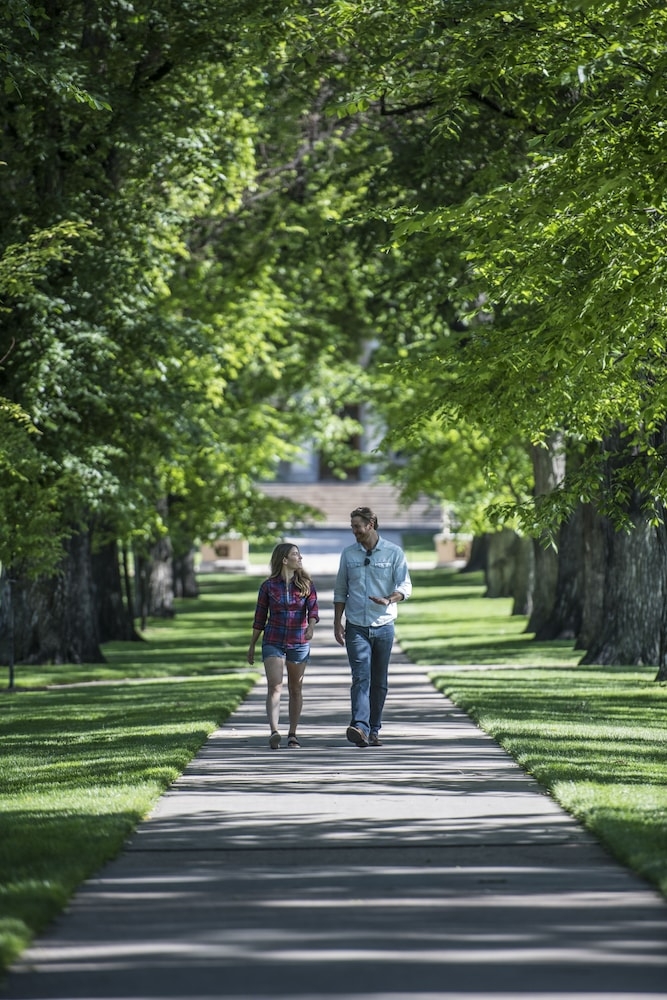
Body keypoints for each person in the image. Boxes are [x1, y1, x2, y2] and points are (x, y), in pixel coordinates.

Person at [333, 506, 412, 747]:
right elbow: (341, 589)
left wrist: (389, 599)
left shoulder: (393, 552)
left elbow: (405, 586)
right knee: (361, 677)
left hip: (384, 625)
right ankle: (360, 726)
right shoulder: (349, 554)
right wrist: (337, 622)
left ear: (370, 525)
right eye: (352, 527)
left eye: (357, 526)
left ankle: (374, 729)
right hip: (356, 625)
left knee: (379, 681)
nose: (354, 531)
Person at [248, 542, 319, 749]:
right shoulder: (268, 586)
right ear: (284, 560)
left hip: (299, 641)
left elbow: (313, 611)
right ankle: (274, 731)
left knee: (295, 687)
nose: (300, 557)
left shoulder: (306, 584)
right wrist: (252, 645)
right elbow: (260, 618)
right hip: (273, 640)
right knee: (275, 685)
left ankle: (293, 734)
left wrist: (311, 628)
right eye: (296, 554)